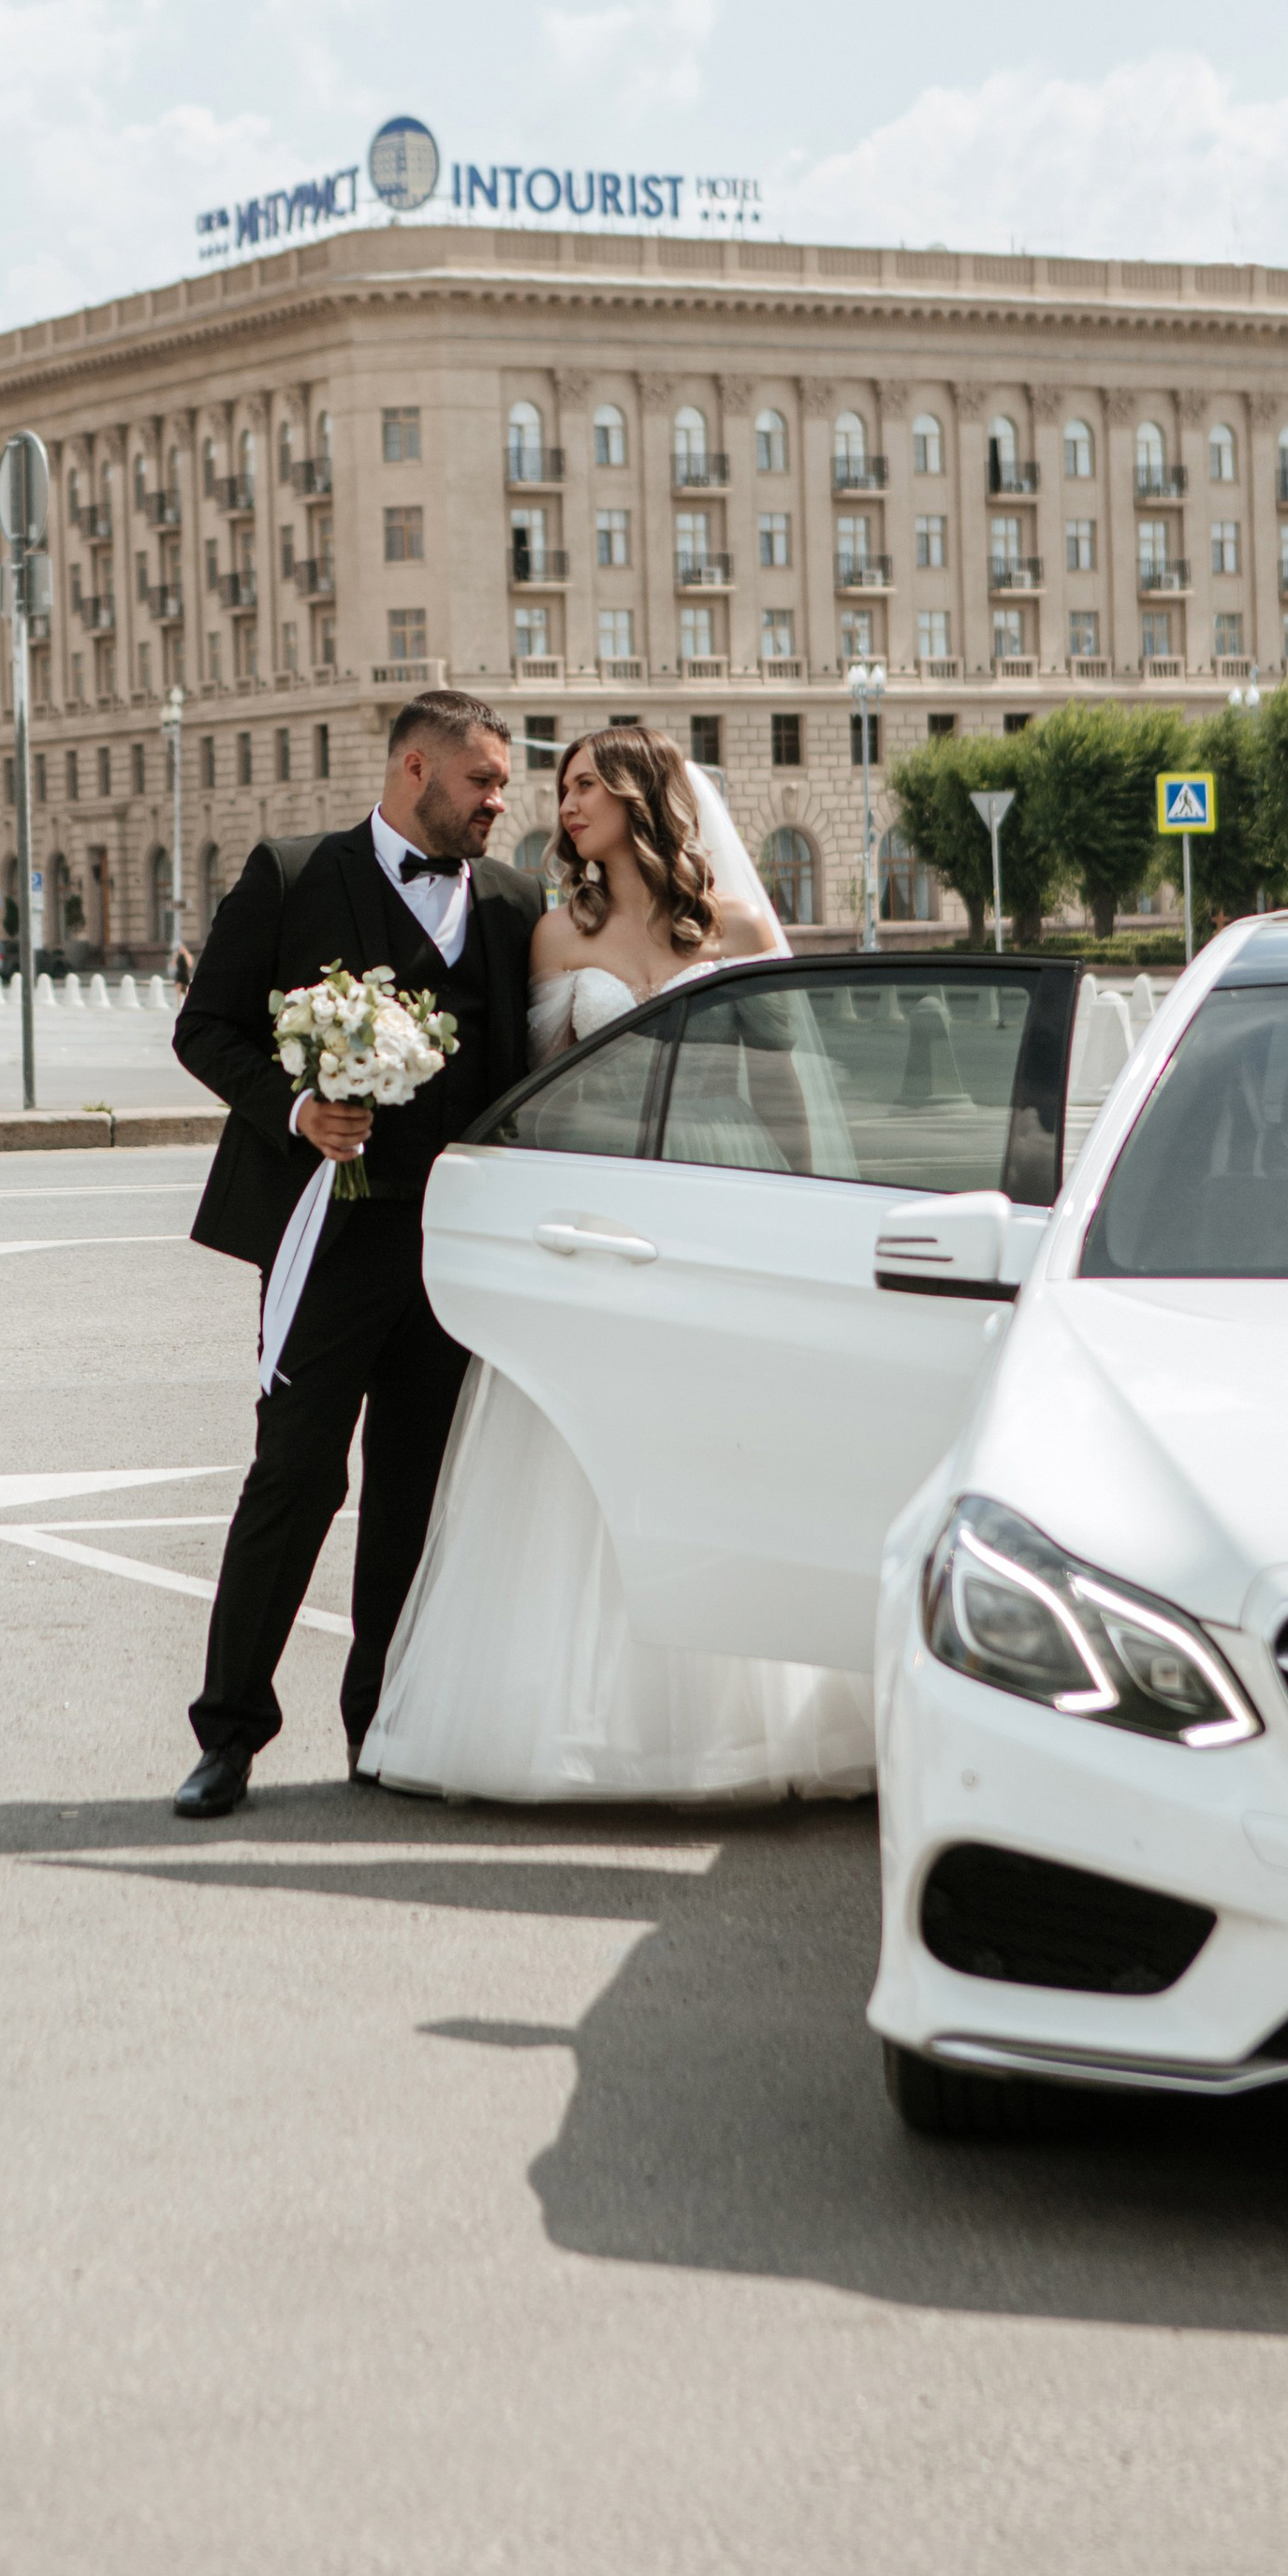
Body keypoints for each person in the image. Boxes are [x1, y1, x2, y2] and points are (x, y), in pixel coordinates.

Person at [358, 722, 878, 1804]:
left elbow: (788, 1081)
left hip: (725, 1194)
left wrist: (822, 1201)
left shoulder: (734, 924)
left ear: (645, 796)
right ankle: (567, 1722)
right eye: (563, 785)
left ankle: (753, 1723)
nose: (568, 801)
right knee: (578, 1453)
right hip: (601, 1212)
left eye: (587, 783)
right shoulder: (555, 937)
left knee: (727, 1445)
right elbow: (535, 1090)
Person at [168, 687, 547, 1818]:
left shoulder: (516, 901)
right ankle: (227, 1736)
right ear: (414, 771)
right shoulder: (292, 875)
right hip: (325, 1240)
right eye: (482, 782)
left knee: (412, 1493)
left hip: (451, 1254)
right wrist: (297, 1112)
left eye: (504, 786)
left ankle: (377, 1727)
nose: (497, 802)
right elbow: (204, 1028)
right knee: (292, 1476)